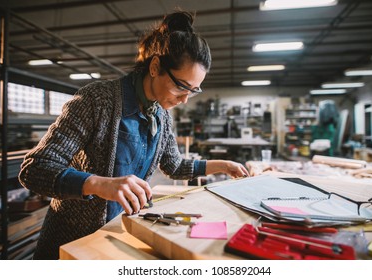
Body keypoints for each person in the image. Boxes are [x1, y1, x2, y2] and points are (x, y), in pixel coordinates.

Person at [18, 10, 250, 260]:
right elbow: (34, 169)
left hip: (117, 234)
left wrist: (223, 166)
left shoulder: (161, 114)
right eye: (181, 87)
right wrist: (99, 184)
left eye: (193, 91)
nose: (184, 100)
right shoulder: (97, 101)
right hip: (70, 242)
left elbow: (174, 166)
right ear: (155, 67)